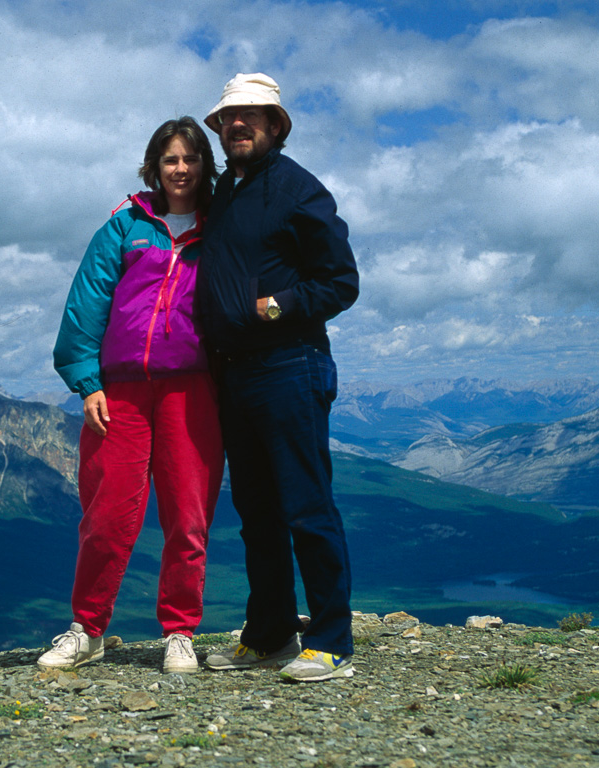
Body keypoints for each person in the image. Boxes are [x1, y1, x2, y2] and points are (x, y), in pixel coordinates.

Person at [42, 117, 225, 675]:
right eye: (170, 159)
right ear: (154, 165)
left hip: (193, 391)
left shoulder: (221, 226)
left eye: (191, 159)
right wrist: (87, 380)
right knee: (107, 515)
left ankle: (179, 632)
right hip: (118, 391)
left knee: (188, 518)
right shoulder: (126, 224)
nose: (181, 169)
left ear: (204, 166)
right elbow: (88, 300)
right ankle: (88, 629)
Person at [196, 73, 360, 682]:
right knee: (257, 511)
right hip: (236, 373)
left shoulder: (299, 190)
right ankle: (269, 635)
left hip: (290, 363)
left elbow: (341, 281)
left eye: (250, 117)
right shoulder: (228, 194)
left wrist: (278, 305)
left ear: (275, 126)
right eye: (227, 119)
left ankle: (332, 643)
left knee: (306, 506)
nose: (236, 126)